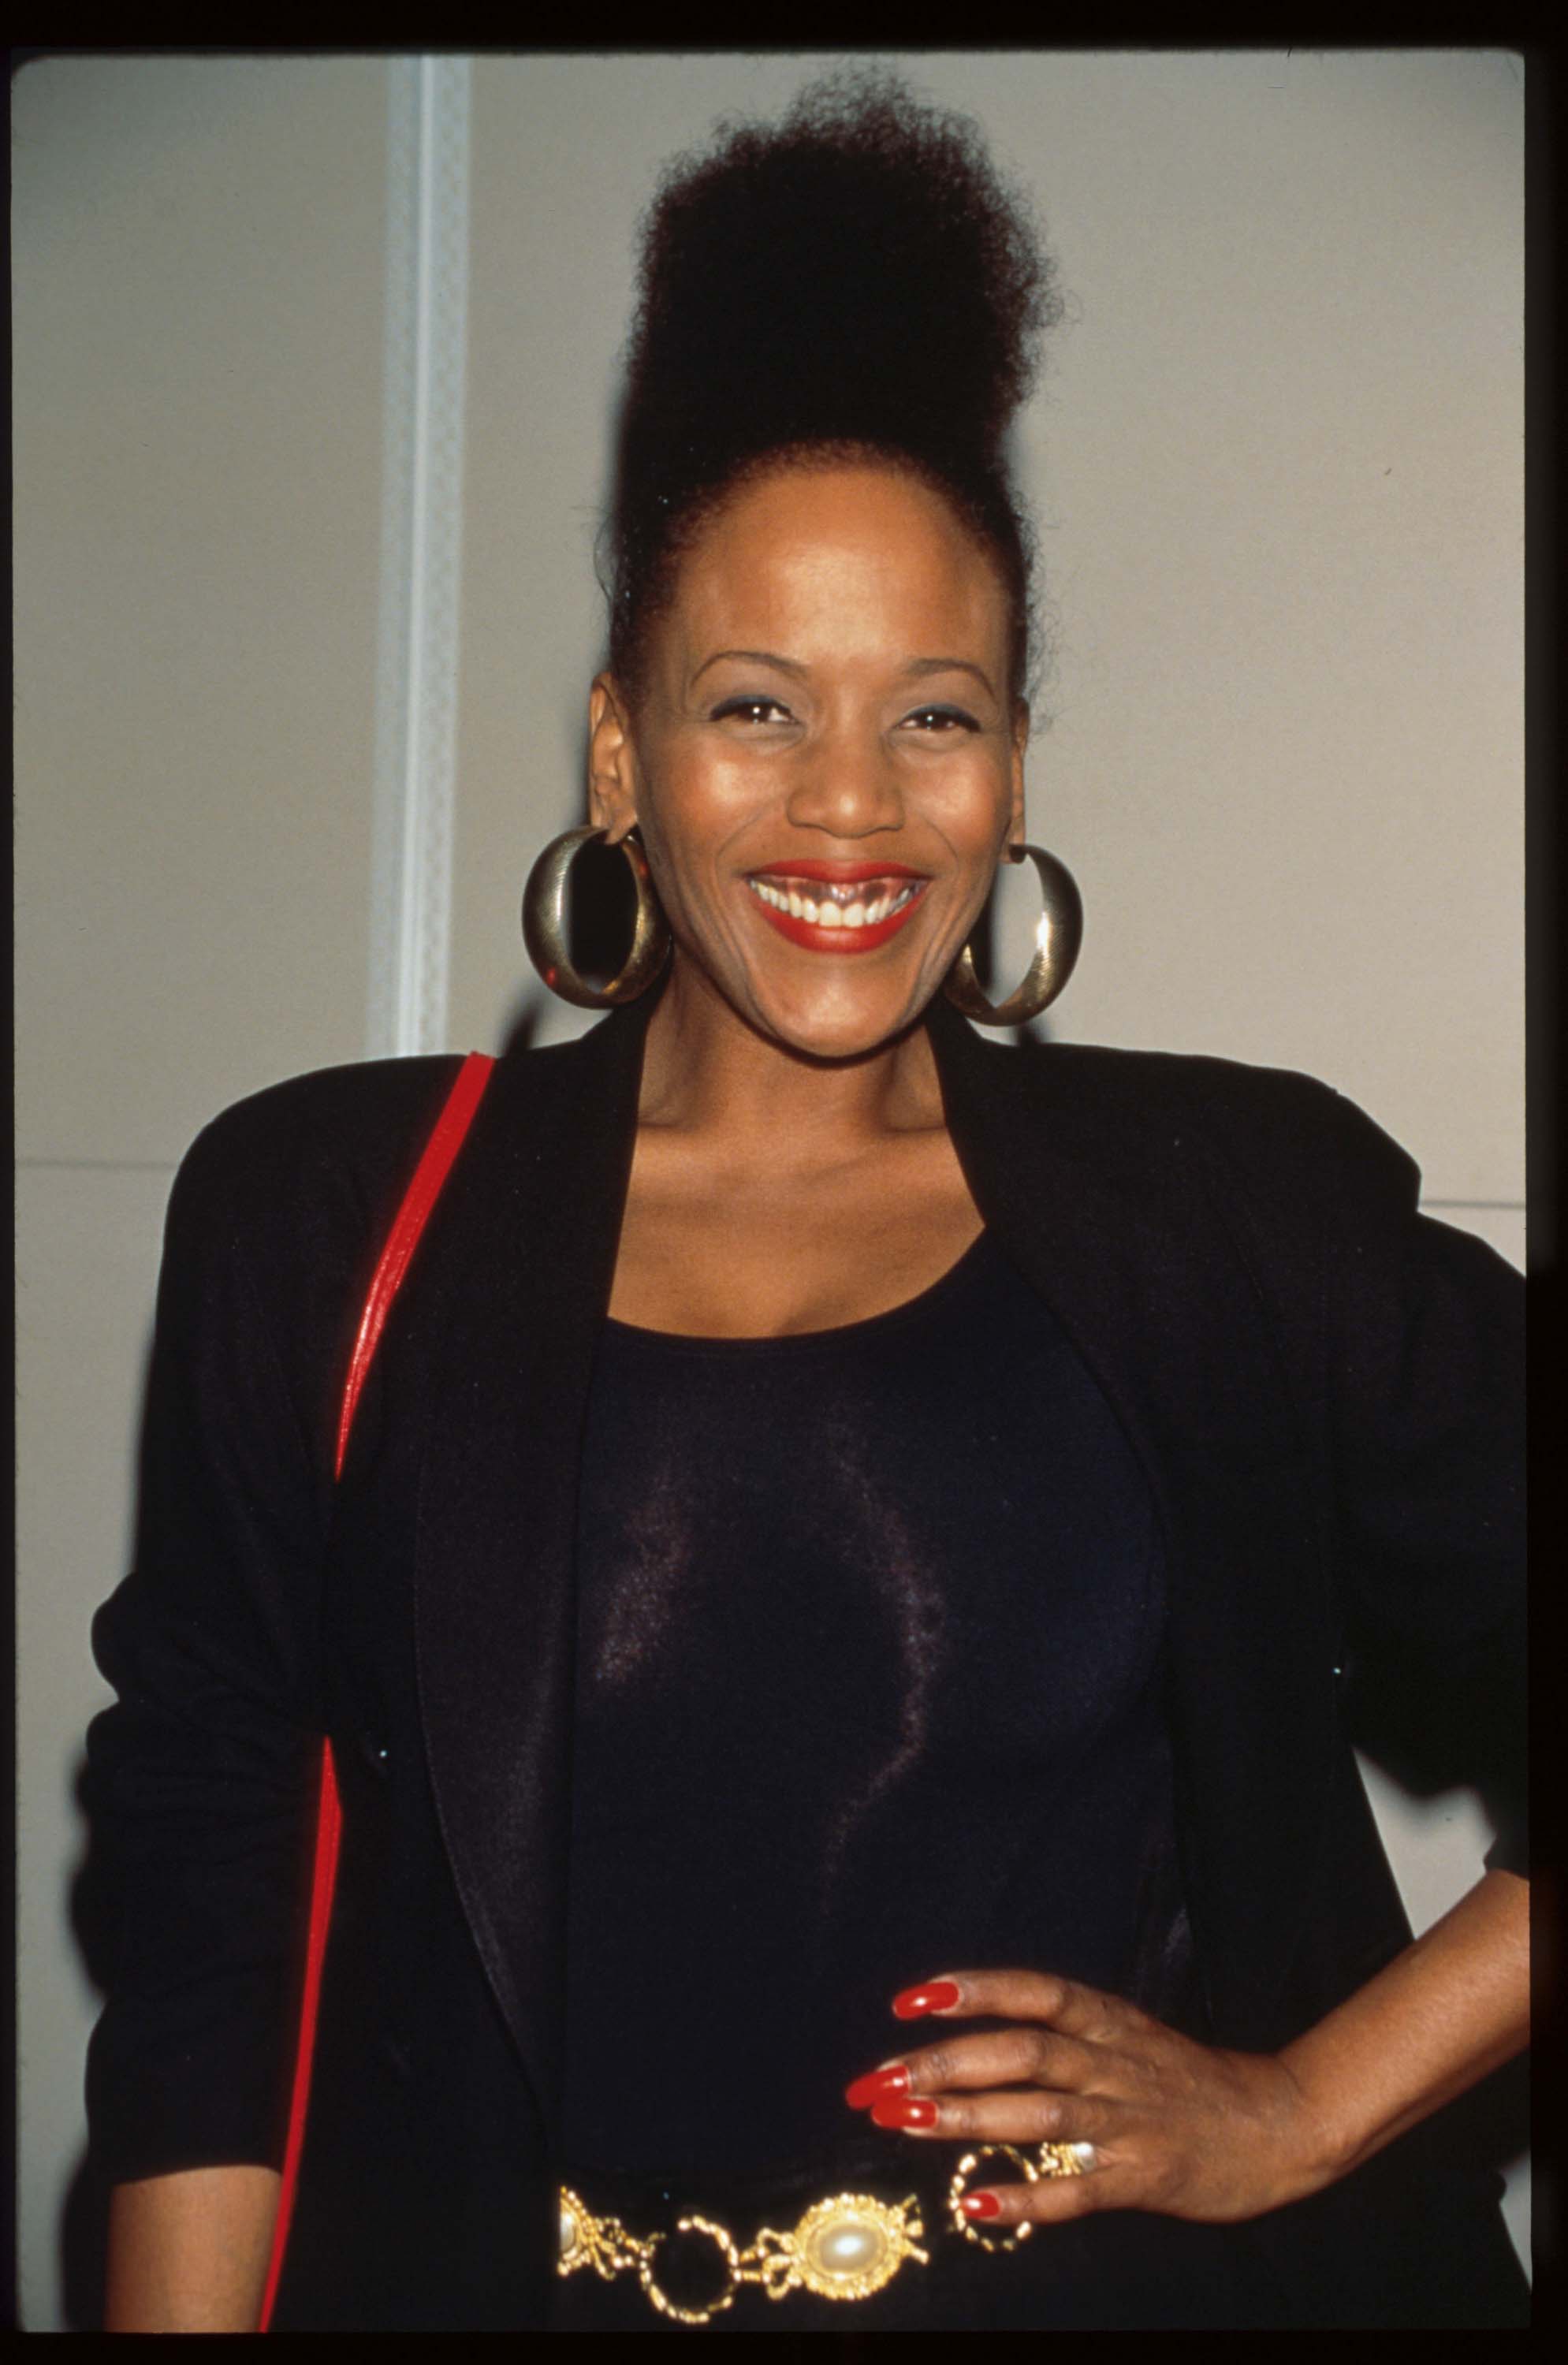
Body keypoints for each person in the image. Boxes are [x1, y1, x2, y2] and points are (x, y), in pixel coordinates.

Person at [85, 73, 1527, 2330]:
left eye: (933, 716)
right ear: (617, 748)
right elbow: (208, 1914)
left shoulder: (1240, 1219)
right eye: (755, 703)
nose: (848, 806)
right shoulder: (321, 1218)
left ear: (1017, 756)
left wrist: (1310, 2108)